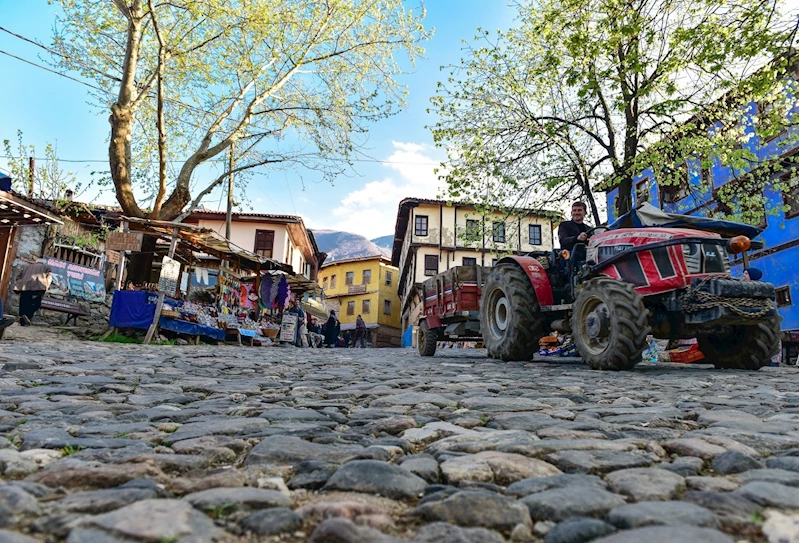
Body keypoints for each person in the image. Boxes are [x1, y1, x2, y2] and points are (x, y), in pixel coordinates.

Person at [14, 259, 53, 326]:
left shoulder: (27, 267)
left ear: (36, 262)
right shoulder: (46, 267)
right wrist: (46, 286)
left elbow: (18, 277)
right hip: (38, 287)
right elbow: (49, 278)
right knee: (36, 304)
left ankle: (22, 320)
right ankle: (28, 316)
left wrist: (20, 282)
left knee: (23, 303)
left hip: (24, 287)